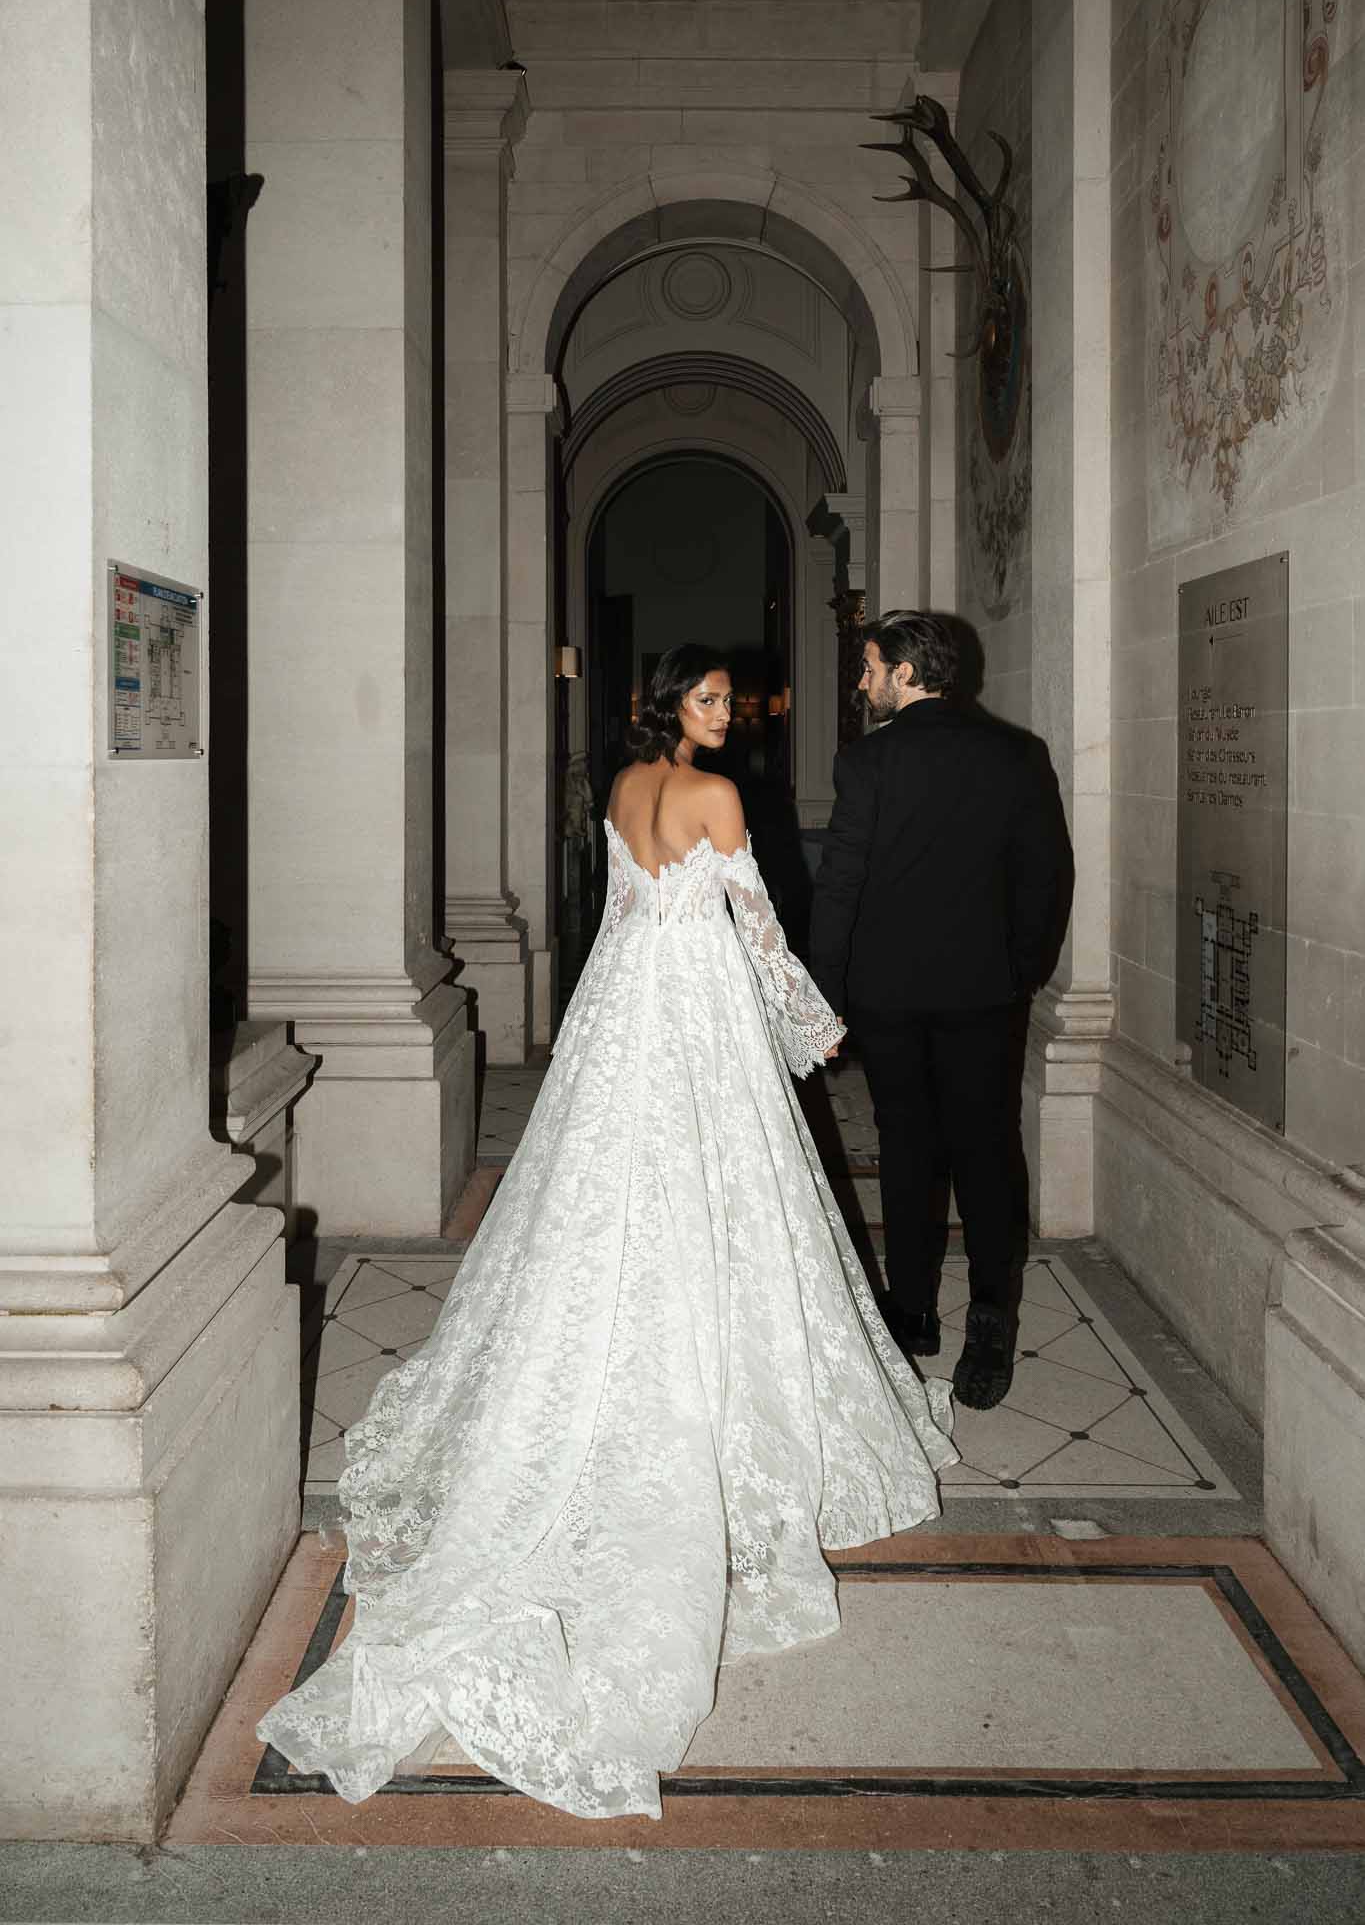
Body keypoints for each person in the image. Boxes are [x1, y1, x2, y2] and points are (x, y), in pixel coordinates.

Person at [257, 643, 955, 1819]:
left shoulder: (622, 788)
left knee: (597, 1198)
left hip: (622, 1015)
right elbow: (759, 928)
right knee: (723, 1196)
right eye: (708, 696)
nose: (727, 713)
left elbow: (633, 908)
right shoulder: (718, 795)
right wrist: (812, 1025)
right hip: (697, 1021)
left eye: (731, 698)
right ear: (669, 702)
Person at [809, 611, 1074, 1413]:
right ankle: (989, 1324)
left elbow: (840, 887)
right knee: (988, 1154)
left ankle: (914, 1311)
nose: (861, 680)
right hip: (984, 993)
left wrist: (821, 997)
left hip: (888, 995)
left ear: (907, 673)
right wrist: (1019, 972)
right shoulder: (1016, 755)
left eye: (869, 666)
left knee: (908, 1149)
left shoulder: (866, 761)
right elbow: (1046, 878)